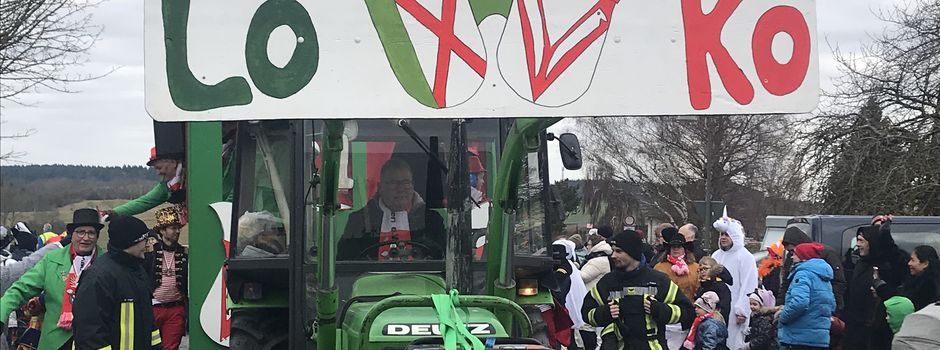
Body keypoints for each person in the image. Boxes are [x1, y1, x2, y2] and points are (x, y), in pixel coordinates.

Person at [0, 208, 104, 350]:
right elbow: (19, 290)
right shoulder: (52, 259)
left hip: (93, 342)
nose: (85, 238)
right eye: (80, 232)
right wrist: (1, 314)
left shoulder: (106, 262)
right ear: (72, 235)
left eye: (91, 233)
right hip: (55, 342)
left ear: (97, 236)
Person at [581, 230, 694, 350]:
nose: (613, 255)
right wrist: (605, 313)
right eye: (613, 250)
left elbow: (687, 311)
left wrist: (659, 310)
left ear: (632, 253)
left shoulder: (658, 280)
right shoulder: (608, 282)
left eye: (619, 251)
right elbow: (586, 312)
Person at [73, 215, 163, 349]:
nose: (148, 244)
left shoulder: (138, 270)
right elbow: (90, 335)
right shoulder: (98, 277)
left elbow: (149, 324)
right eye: (145, 240)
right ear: (130, 243)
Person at [338, 158, 446, 260]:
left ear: (413, 185)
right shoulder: (359, 220)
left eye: (406, 182)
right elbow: (346, 263)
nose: (400, 188)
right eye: (393, 183)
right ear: (380, 187)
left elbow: (442, 258)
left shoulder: (431, 220)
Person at [843, 216, 910, 350]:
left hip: (876, 328)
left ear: (872, 242)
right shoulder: (860, 263)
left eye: (861, 241)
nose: (858, 244)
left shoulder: (887, 264)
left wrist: (886, 236)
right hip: (855, 328)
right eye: (857, 240)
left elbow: (897, 261)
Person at [710, 215, 758, 349]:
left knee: (733, 342)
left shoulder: (745, 257)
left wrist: (742, 309)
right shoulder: (716, 255)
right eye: (721, 235)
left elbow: (749, 284)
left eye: (727, 234)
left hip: (734, 309)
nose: (723, 237)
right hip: (717, 307)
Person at [777, 243, 836, 350]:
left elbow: (799, 303)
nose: (792, 257)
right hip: (820, 338)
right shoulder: (824, 277)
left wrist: (783, 317)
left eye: (795, 254)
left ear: (803, 257)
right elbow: (832, 305)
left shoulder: (803, 274)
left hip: (800, 336)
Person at [145, 207, 189, 350]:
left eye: (178, 228)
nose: (177, 231)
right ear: (162, 231)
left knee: (171, 347)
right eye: (173, 228)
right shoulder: (150, 253)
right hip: (153, 308)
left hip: (175, 308)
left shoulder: (184, 253)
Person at [778, 226, 846, 312]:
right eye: (790, 252)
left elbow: (839, 283)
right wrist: (779, 305)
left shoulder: (827, 254)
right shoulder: (791, 258)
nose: (792, 255)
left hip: (822, 308)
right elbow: (786, 284)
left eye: (793, 251)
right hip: (799, 307)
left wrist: (829, 306)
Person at [107, 147, 186, 218]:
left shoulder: (189, 172)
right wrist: (113, 213)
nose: (158, 173)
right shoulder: (165, 186)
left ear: (173, 162)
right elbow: (144, 202)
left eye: (159, 168)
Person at [579, 233, 612, 350]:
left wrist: (572, 268)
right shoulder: (603, 258)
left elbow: (583, 276)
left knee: (588, 327)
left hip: (592, 295)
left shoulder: (597, 261)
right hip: (599, 296)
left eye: (588, 244)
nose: (587, 247)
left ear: (594, 245)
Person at [895, 245, 940, 311]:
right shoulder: (914, 280)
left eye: (913, 260)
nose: (909, 263)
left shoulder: (929, 286)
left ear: (925, 264)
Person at [695, 256, 732, 326]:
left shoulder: (720, 287)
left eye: (705, 269)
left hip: (715, 325)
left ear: (713, 269)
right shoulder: (702, 287)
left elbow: (724, 309)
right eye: (700, 269)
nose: (702, 272)